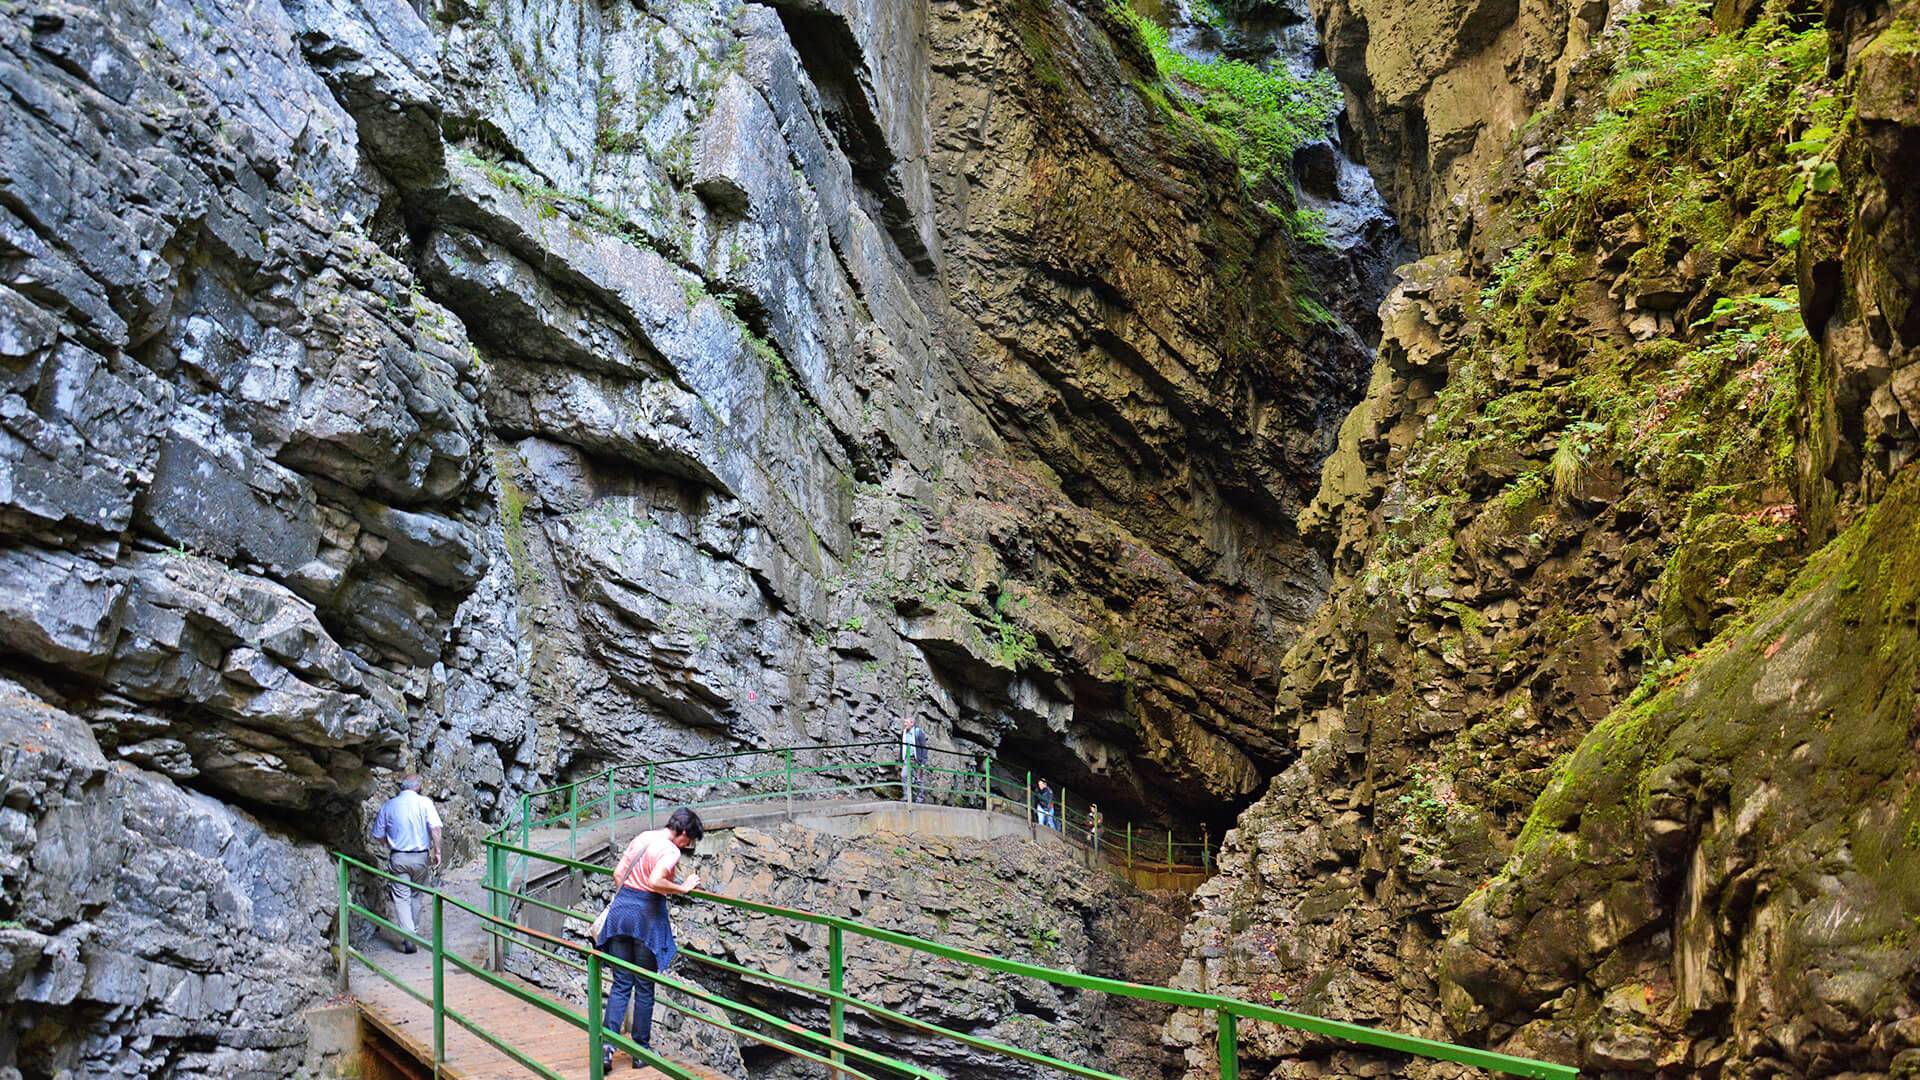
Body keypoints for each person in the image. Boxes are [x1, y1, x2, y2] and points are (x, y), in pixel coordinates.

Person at [598, 807, 705, 1070]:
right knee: (644, 986)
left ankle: (606, 1049)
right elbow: (656, 880)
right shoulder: (670, 850)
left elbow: (618, 874)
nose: (687, 845)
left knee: (621, 983)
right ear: (682, 832)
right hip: (646, 920)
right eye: (689, 839)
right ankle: (640, 1052)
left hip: (621, 914)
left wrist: (631, 899)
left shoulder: (643, 837)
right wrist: (682, 887)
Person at [369, 775, 443, 954]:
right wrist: (437, 852)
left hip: (399, 857)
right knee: (416, 895)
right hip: (420, 857)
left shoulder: (389, 805)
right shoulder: (425, 803)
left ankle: (409, 936)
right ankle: (412, 933)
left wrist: (388, 843)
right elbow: (435, 828)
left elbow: (377, 834)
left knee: (401, 897)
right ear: (417, 787)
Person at [900, 716, 928, 803]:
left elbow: (924, 747)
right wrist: (900, 759)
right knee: (904, 775)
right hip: (907, 758)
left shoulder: (918, 732)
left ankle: (920, 797)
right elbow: (902, 747)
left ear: (912, 723)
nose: (904, 724)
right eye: (904, 722)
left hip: (917, 759)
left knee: (919, 779)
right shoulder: (903, 733)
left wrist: (923, 761)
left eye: (906, 722)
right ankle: (906, 796)